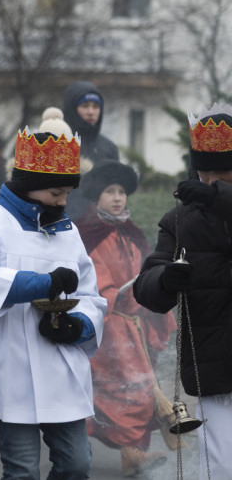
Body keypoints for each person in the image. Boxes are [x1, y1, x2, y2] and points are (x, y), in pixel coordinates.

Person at [0, 126, 106, 480]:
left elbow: (92, 297)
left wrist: (77, 325)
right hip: (10, 370)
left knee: (76, 463)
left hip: (60, 371)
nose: (63, 201)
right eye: (56, 192)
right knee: (21, 470)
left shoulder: (69, 232)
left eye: (67, 192)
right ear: (29, 185)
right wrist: (44, 284)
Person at [134, 102, 232, 479]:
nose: (212, 180)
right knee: (221, 466)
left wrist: (218, 199)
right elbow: (148, 285)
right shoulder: (179, 220)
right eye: (206, 172)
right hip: (212, 365)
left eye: (224, 172)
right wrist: (164, 281)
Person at [75, 160, 173, 476]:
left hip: (137, 323)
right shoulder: (86, 234)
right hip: (111, 323)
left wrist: (156, 304)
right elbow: (94, 280)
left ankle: (133, 454)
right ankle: (125, 450)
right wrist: (116, 296)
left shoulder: (133, 233)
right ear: (96, 196)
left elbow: (145, 271)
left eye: (121, 191)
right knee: (126, 389)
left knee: (140, 388)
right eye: (109, 191)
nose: (117, 198)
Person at [62, 81, 119, 166]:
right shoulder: (58, 143)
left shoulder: (109, 148)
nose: (91, 112)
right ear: (72, 108)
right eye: (85, 106)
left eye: (95, 106)